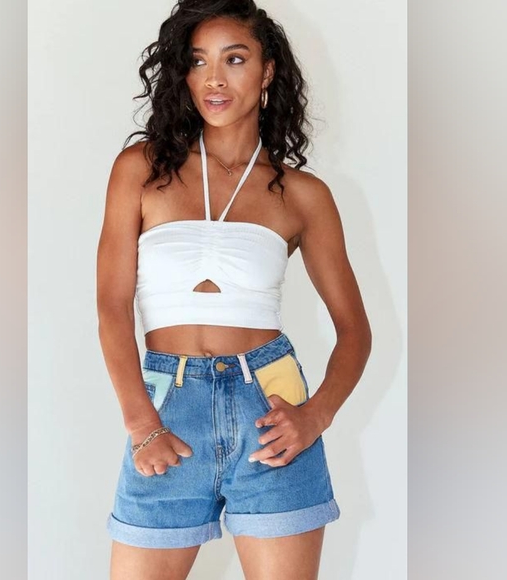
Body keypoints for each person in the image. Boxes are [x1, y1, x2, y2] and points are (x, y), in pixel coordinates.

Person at [96, 1, 371, 578]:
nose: (214, 79)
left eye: (235, 59)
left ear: (267, 71)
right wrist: (142, 424)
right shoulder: (140, 169)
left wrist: (315, 416)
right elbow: (112, 306)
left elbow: (354, 330)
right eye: (199, 61)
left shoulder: (303, 195)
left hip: (268, 407)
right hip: (166, 412)